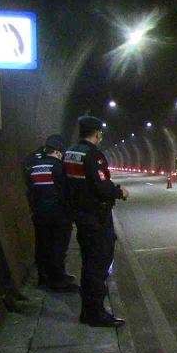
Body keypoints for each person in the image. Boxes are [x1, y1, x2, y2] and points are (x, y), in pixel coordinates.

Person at [65, 116, 128, 327]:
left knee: (89, 264)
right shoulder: (94, 156)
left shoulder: (70, 153)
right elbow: (101, 187)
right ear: (97, 133)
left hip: (81, 216)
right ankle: (95, 313)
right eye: (100, 133)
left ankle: (88, 310)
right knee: (99, 264)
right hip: (96, 217)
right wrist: (119, 191)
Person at [22, 134, 78, 292]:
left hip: (39, 214)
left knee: (42, 246)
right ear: (59, 151)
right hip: (59, 215)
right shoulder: (60, 167)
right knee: (58, 248)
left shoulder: (33, 166)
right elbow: (66, 193)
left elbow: (30, 190)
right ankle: (58, 280)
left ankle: (43, 277)